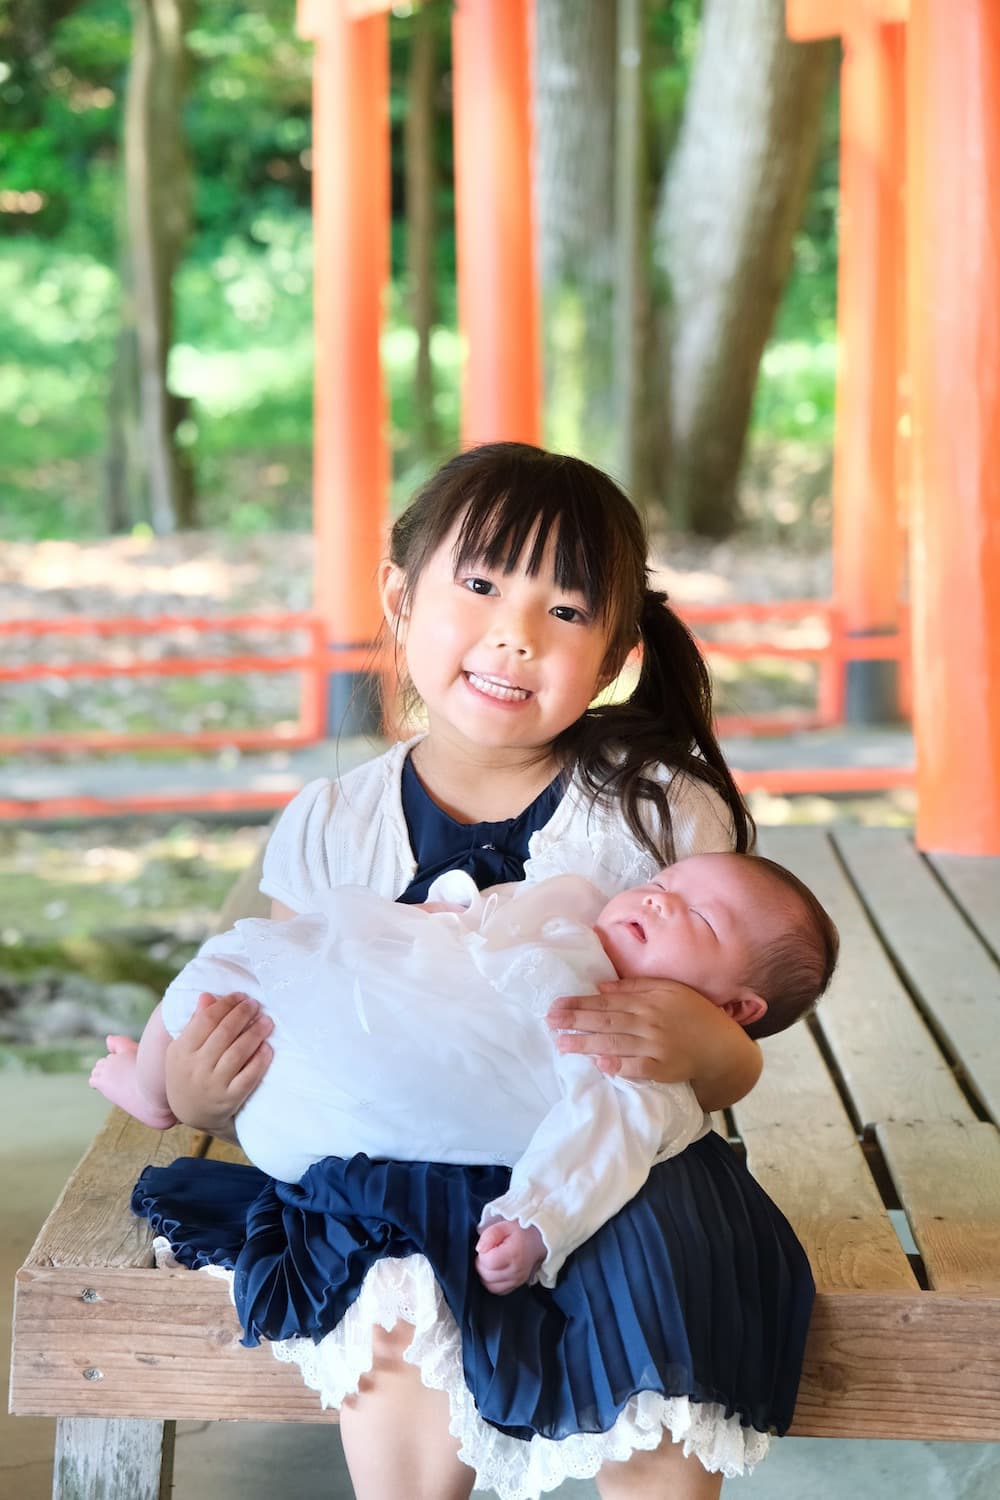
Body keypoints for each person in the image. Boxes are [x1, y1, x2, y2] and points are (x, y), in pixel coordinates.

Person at [130, 443, 818, 1500]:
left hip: (600, 1157)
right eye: (483, 585)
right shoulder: (332, 823)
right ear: (402, 599)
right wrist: (193, 1089)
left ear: (619, 654)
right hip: (387, 1155)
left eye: (569, 612)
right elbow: (278, 1000)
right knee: (390, 1271)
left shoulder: (658, 811)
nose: (517, 634)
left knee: (672, 1251)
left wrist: (708, 1046)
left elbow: (715, 1063)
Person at [93, 852, 837, 1278]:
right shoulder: (568, 921)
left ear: (736, 1010)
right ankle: (154, 1089)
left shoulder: (633, 1044)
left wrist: (537, 1223)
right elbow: (468, 919)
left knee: (226, 971)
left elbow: (600, 1147)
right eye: (663, 883)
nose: (661, 900)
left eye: (699, 919)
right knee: (230, 965)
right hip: (289, 1077)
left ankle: (153, 1087)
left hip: (351, 1149)